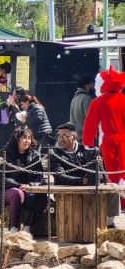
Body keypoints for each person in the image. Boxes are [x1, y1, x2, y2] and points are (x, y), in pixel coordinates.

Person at [50, 122, 119, 228]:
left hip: (88, 187)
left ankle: (109, 224)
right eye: (59, 135)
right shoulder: (55, 154)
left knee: (114, 189)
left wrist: (98, 163)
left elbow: (99, 174)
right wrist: (80, 180)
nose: (60, 138)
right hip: (66, 189)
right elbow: (60, 177)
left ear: (73, 137)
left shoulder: (86, 150)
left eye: (64, 135)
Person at [0, 127, 46, 234]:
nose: (27, 141)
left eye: (29, 138)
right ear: (17, 139)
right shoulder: (5, 153)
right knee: (18, 193)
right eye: (24, 137)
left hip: (27, 188)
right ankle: (14, 227)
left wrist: (31, 185)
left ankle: (28, 226)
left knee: (42, 196)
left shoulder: (35, 155)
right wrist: (18, 185)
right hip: (8, 189)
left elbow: (40, 176)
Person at [83, 67, 125, 201]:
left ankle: (115, 201)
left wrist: (87, 143)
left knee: (111, 172)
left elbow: (90, 126)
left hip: (108, 140)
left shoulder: (97, 102)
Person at [70, 76, 95, 141]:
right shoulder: (86, 99)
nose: (93, 86)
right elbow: (90, 119)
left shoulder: (75, 98)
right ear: (87, 85)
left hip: (76, 136)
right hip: (84, 136)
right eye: (92, 84)